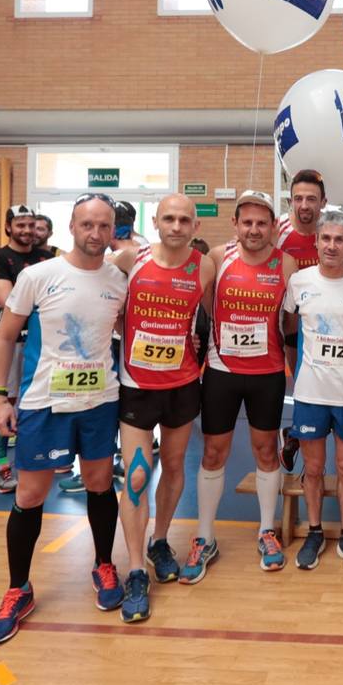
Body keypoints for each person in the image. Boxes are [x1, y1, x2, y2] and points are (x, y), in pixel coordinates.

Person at [0, 193, 128, 646]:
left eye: (104, 226)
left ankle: (104, 565)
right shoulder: (38, 275)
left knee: (101, 484)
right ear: (71, 226)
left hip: (101, 401)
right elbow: (6, 337)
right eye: (87, 224)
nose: (95, 233)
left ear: (113, 231)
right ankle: (18, 589)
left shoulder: (120, 279)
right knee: (30, 493)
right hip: (45, 402)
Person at [108, 194, 215, 622]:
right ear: (155, 221)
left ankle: (159, 541)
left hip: (184, 383)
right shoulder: (128, 260)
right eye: (168, 218)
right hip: (137, 384)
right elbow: (108, 307)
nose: (176, 225)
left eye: (184, 219)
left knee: (173, 467)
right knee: (136, 473)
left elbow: (210, 316)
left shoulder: (203, 267)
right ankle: (135, 569)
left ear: (195, 227)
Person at [186, 191, 296, 582]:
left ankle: (267, 530)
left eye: (261, 223)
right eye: (247, 222)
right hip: (221, 371)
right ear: (235, 224)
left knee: (266, 450)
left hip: (267, 372)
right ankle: (204, 536)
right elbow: (202, 304)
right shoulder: (216, 258)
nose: (254, 229)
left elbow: (290, 319)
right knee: (214, 452)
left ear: (272, 227)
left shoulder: (286, 263)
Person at [284, 211, 343, 573]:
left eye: (340, 240)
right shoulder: (299, 282)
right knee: (316, 467)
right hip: (309, 394)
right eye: (326, 239)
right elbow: (288, 327)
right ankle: (315, 531)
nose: (332, 246)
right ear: (317, 242)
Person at [0, 205, 54, 494]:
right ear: (9, 227)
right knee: (5, 402)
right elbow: (9, 300)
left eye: (31, 224)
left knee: (41, 401)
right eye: (20, 225)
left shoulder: (47, 258)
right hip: (13, 341)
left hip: (44, 341)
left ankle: (40, 459)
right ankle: (1, 467)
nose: (26, 230)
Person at [276, 170, 325, 472]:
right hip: (291, 323)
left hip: (327, 327)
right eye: (298, 198)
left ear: (323, 202)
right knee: (304, 387)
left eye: (311, 199)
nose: (304, 205)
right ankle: (298, 437)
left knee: (327, 394)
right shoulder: (277, 230)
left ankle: (295, 436)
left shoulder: (331, 230)